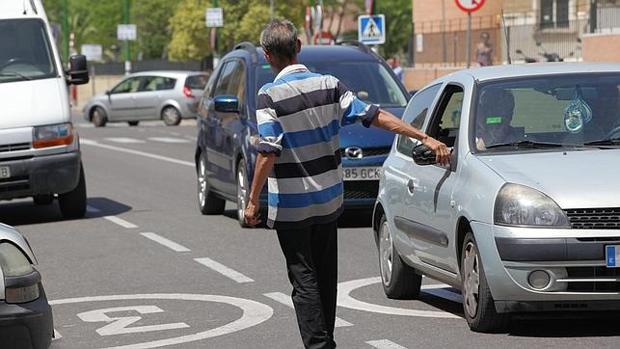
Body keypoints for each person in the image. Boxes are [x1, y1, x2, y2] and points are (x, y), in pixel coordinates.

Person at [244, 19, 450, 349]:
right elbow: (374, 115)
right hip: (329, 201)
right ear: (298, 47)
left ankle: (319, 345)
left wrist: (253, 199)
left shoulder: (269, 96)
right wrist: (423, 135)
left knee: (303, 278)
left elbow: (268, 151)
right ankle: (328, 341)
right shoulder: (329, 84)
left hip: (293, 207)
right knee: (325, 274)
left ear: (267, 56)